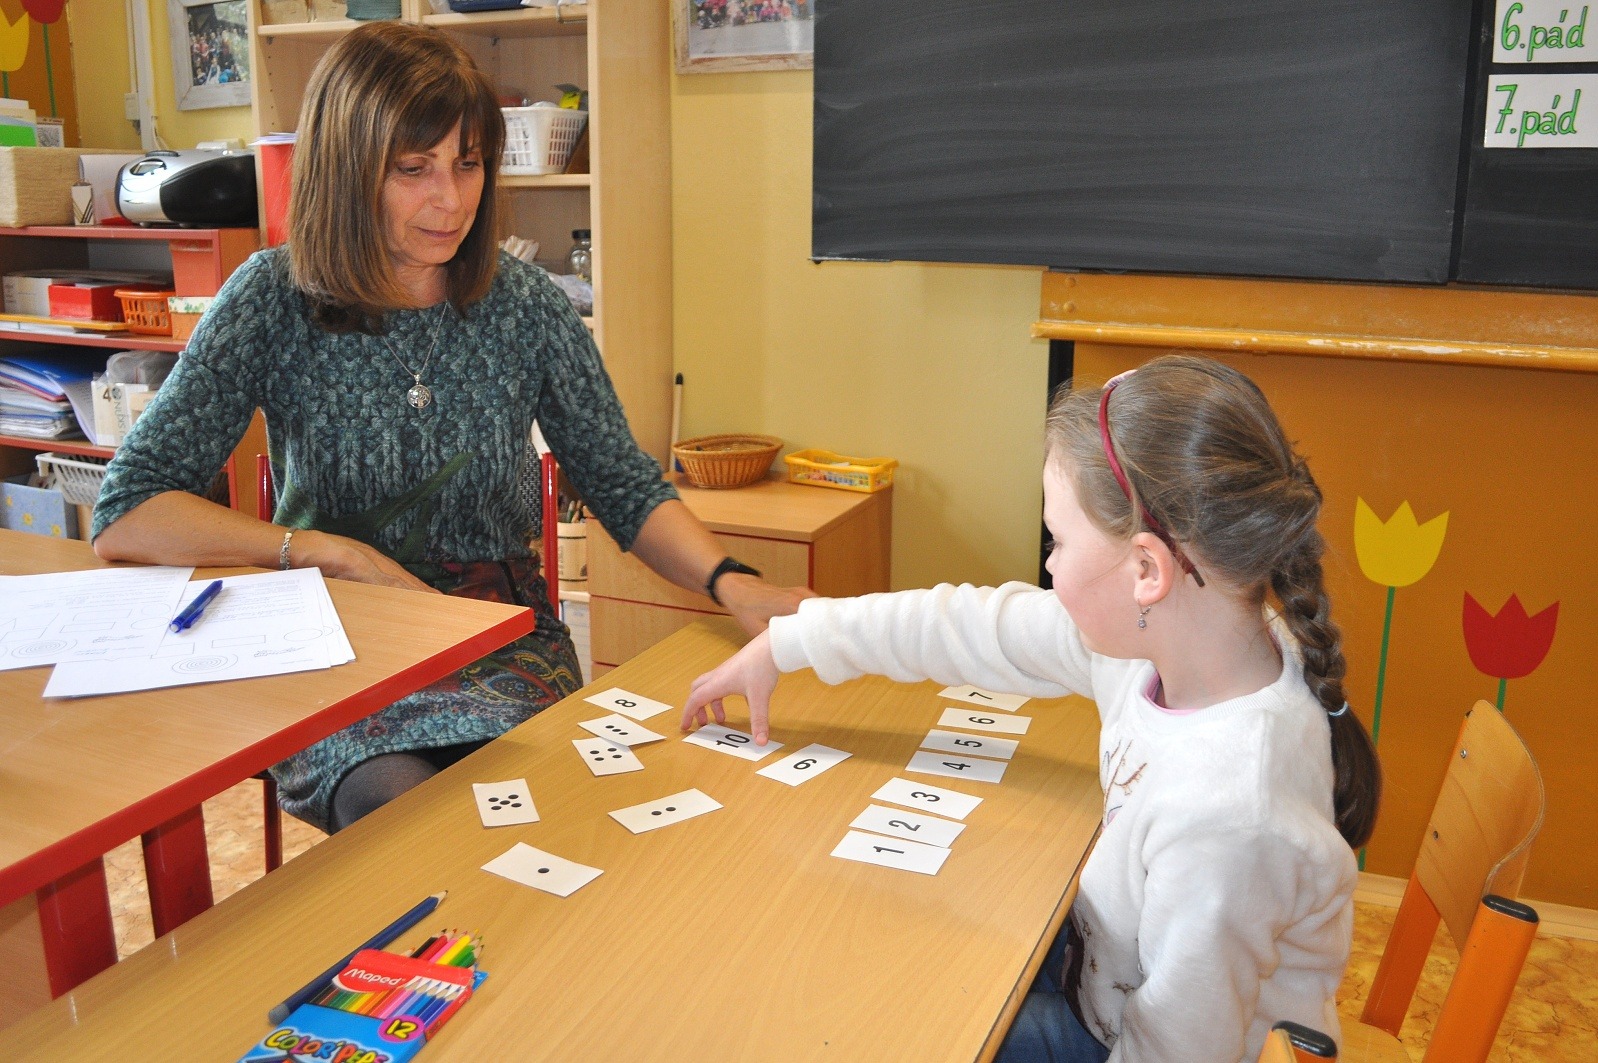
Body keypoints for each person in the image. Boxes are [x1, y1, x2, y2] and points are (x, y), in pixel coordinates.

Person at [93, 21, 807, 835]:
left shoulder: (525, 305)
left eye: (467, 163)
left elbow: (622, 484)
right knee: (408, 815)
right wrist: (323, 548)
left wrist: (732, 580)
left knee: (541, 812)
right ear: (346, 170)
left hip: (499, 640)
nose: (452, 197)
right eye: (413, 169)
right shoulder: (271, 299)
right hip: (342, 641)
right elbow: (128, 511)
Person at [682, 354, 1381, 1062]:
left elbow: (1174, 1051)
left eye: (1059, 541)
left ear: (1147, 570)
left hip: (1140, 1040)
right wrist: (788, 642)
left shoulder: (1230, 816)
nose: (1047, 565)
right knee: (916, 960)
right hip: (1110, 978)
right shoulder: (1190, 636)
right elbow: (970, 624)